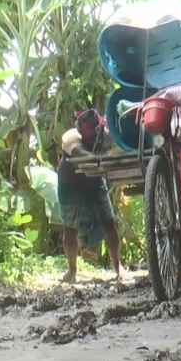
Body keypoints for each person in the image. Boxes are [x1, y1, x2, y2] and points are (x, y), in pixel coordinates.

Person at [57, 109, 123, 283]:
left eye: (95, 129)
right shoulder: (71, 137)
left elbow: (117, 148)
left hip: (94, 181)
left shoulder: (105, 134)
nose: (93, 133)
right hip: (70, 184)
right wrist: (100, 158)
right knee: (70, 228)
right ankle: (71, 271)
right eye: (88, 130)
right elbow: (80, 154)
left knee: (109, 223)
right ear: (80, 130)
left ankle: (118, 267)